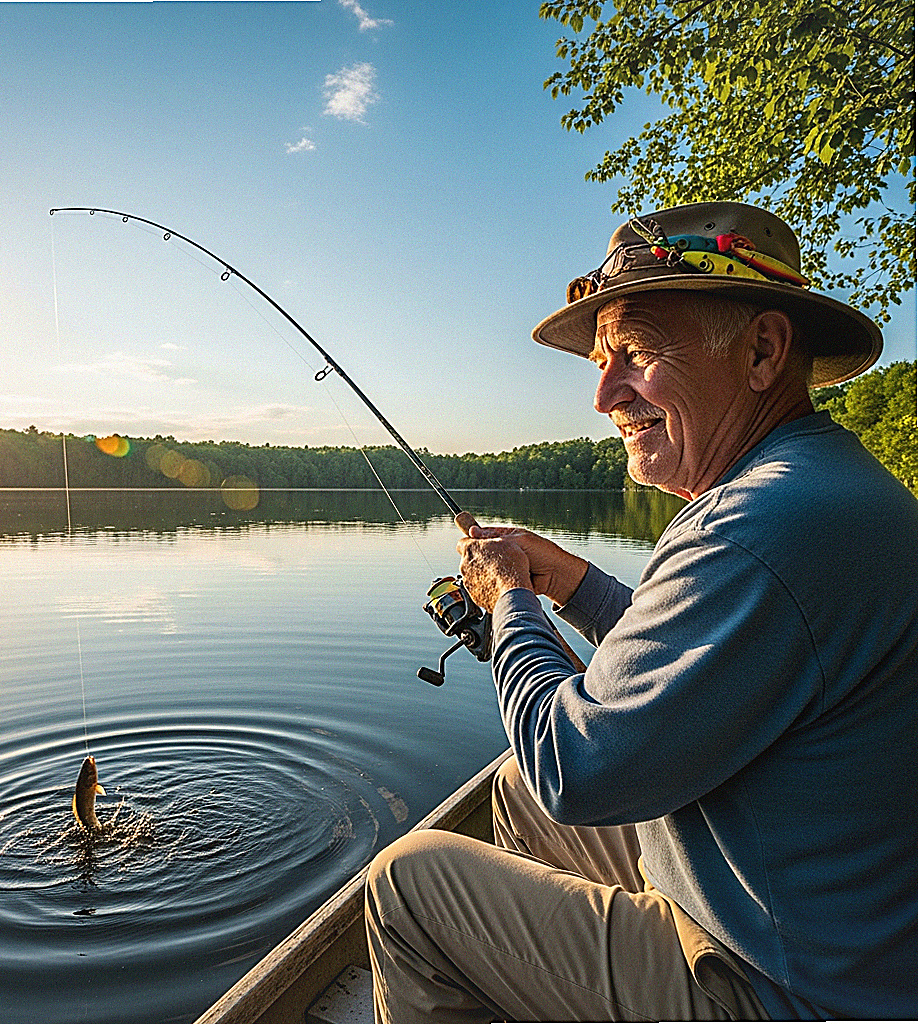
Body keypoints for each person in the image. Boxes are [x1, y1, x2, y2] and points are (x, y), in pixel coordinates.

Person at [365, 202, 918, 1021]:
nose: (602, 395)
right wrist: (572, 584)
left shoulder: (751, 528)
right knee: (512, 790)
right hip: (811, 914)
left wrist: (510, 597)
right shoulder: (814, 484)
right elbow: (715, 655)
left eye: (635, 354)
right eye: (599, 361)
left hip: (791, 987)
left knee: (408, 884)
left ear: (763, 350)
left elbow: (574, 767)